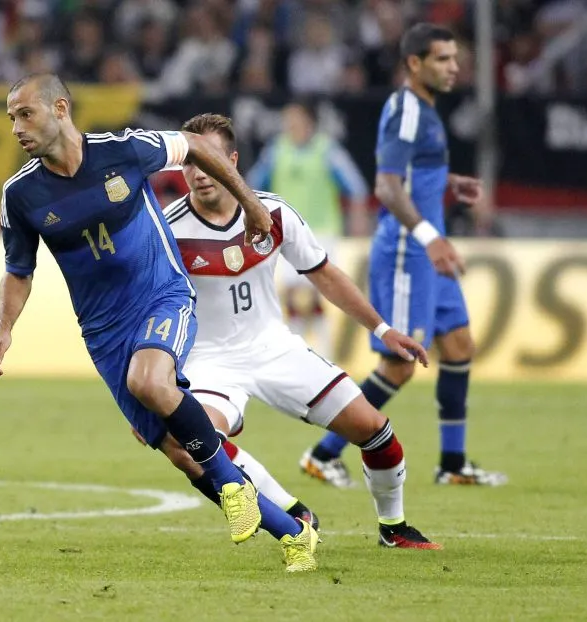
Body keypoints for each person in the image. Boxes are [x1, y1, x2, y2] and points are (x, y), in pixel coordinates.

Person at [0, 73, 317, 573]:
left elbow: (200, 145)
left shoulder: (124, 150)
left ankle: (231, 485)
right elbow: (18, 271)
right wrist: (2, 327)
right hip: (104, 332)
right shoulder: (22, 194)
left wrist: (249, 203)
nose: (16, 128)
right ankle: (295, 534)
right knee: (183, 454)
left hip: (162, 294)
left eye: (25, 114)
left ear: (60, 110)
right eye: (11, 118)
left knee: (150, 380)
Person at [158, 112, 441, 550]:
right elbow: (146, 305)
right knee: (194, 443)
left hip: (274, 348)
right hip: (208, 361)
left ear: (232, 160)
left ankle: (394, 527)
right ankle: (292, 513)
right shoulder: (167, 228)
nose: (200, 172)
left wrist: (383, 330)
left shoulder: (272, 212)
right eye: (191, 162)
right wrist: (149, 388)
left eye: (210, 159)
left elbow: (324, 274)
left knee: (375, 429)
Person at [302, 24, 507, 487]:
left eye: (455, 58)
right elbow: (386, 186)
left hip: (426, 253)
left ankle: (452, 465)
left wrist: (448, 182)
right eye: (442, 59)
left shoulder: (425, 111)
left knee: (458, 346)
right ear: (414, 63)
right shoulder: (408, 110)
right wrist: (432, 237)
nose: (454, 67)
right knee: (398, 364)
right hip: (407, 252)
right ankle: (322, 454)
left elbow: (411, 171)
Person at [246, 98, 369, 360]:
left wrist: (359, 220)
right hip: (284, 233)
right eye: (288, 120)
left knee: (314, 291)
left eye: (296, 119)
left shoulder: (327, 151)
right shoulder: (276, 150)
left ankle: (320, 352)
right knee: (293, 295)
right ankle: (301, 352)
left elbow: (356, 187)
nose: (291, 125)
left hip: (321, 232)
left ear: (309, 122)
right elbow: (251, 184)